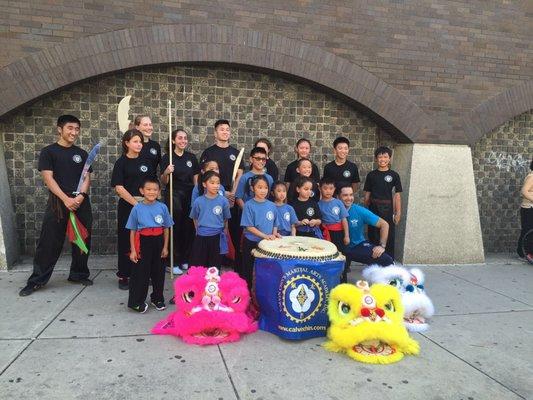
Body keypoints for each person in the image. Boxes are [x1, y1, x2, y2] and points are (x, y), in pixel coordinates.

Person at [19, 115, 94, 296]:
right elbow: (48, 178)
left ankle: (78, 274)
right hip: (58, 202)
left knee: (81, 240)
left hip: (80, 202)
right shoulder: (49, 152)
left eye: (77, 129)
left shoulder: (82, 154)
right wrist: (65, 199)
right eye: (70, 128)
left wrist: (81, 196)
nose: (74, 132)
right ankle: (37, 280)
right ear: (59, 129)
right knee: (49, 242)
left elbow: (86, 177)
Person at [111, 129, 154, 290]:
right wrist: (136, 204)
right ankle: (124, 275)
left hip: (146, 206)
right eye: (135, 141)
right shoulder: (121, 163)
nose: (138, 144)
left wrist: (148, 202)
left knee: (144, 240)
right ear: (126, 143)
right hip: (128, 207)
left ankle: (142, 273)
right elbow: (119, 188)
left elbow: (151, 184)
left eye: (140, 141)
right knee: (126, 240)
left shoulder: (146, 162)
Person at [199, 119, 244, 268]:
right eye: (221, 129)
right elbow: (204, 176)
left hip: (231, 195)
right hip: (214, 195)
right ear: (215, 132)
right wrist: (221, 193)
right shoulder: (208, 153)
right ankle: (215, 261)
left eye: (227, 129)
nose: (225, 132)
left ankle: (234, 261)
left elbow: (239, 174)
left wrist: (232, 193)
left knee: (233, 228)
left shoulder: (235, 153)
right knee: (217, 228)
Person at [126, 177, 173, 313]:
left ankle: (157, 298)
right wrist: (133, 250)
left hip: (158, 242)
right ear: (142, 191)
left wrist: (165, 247)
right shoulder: (137, 208)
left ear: (159, 192)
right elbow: (132, 230)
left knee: (159, 272)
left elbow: (166, 228)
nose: (152, 192)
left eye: (155, 190)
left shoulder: (162, 207)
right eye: (148, 189)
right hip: (143, 242)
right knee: (141, 273)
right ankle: (136, 302)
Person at [160, 129, 200, 275]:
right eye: (180, 138)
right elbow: (164, 181)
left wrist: (197, 196)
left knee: (188, 227)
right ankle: (172, 261)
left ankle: (184, 258)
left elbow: (196, 179)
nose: (183, 141)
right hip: (174, 195)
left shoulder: (191, 157)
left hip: (189, 195)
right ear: (173, 141)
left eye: (185, 138)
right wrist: (166, 172)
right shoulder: (167, 158)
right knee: (174, 227)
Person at [339, 185, 393, 281]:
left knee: (386, 260)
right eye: (345, 195)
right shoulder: (332, 209)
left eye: (351, 195)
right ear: (338, 196)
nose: (349, 198)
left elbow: (384, 224)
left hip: (356, 246)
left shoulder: (359, 210)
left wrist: (382, 246)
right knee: (339, 279)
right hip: (337, 248)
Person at [240, 175, 280, 288]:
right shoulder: (248, 205)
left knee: (265, 270)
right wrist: (264, 236)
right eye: (260, 187)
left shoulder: (272, 205)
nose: (263, 190)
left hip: (267, 245)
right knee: (248, 269)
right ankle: (247, 294)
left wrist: (274, 233)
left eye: (265, 187)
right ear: (253, 188)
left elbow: (275, 223)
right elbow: (249, 226)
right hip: (252, 242)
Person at [363, 146, 402, 258]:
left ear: (389, 159)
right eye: (380, 157)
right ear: (376, 159)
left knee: (388, 234)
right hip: (373, 208)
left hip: (388, 209)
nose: (382, 159)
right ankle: (373, 260)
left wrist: (398, 212)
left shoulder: (394, 175)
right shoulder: (371, 175)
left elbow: (397, 195)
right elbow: (367, 195)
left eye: (385, 157)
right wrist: (366, 211)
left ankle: (388, 260)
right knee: (373, 233)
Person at [189, 171, 231, 269]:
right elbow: (195, 218)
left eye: (218, 183)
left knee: (214, 267)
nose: (216, 185)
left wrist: (224, 231)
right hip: (201, 236)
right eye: (212, 183)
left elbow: (225, 218)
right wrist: (198, 231)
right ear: (204, 184)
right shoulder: (198, 201)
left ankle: (213, 284)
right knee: (200, 265)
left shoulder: (223, 201)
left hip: (217, 237)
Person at [318, 177, 350, 254]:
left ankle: (344, 266)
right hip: (325, 232)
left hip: (339, 233)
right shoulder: (318, 204)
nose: (328, 191)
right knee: (326, 252)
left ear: (334, 189)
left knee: (340, 252)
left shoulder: (338, 203)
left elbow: (344, 219)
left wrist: (346, 236)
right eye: (325, 188)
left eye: (331, 188)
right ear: (320, 189)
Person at [517, 159, 533, 261]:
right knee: (527, 230)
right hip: (528, 208)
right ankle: (522, 253)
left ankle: (527, 252)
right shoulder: (532, 177)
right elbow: (524, 191)